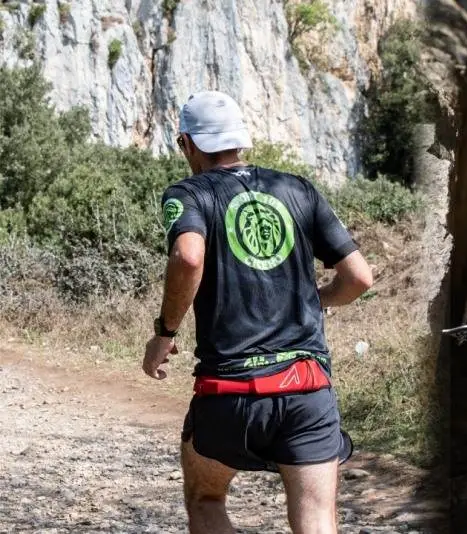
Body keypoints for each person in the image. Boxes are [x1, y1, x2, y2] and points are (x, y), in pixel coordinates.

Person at [142, 90, 373, 534]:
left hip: (229, 391)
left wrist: (164, 332)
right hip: (307, 391)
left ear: (185, 144)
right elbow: (359, 278)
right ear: (240, 140)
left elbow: (189, 257)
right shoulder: (297, 189)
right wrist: (313, 299)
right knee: (317, 520)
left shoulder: (189, 193)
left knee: (205, 497)